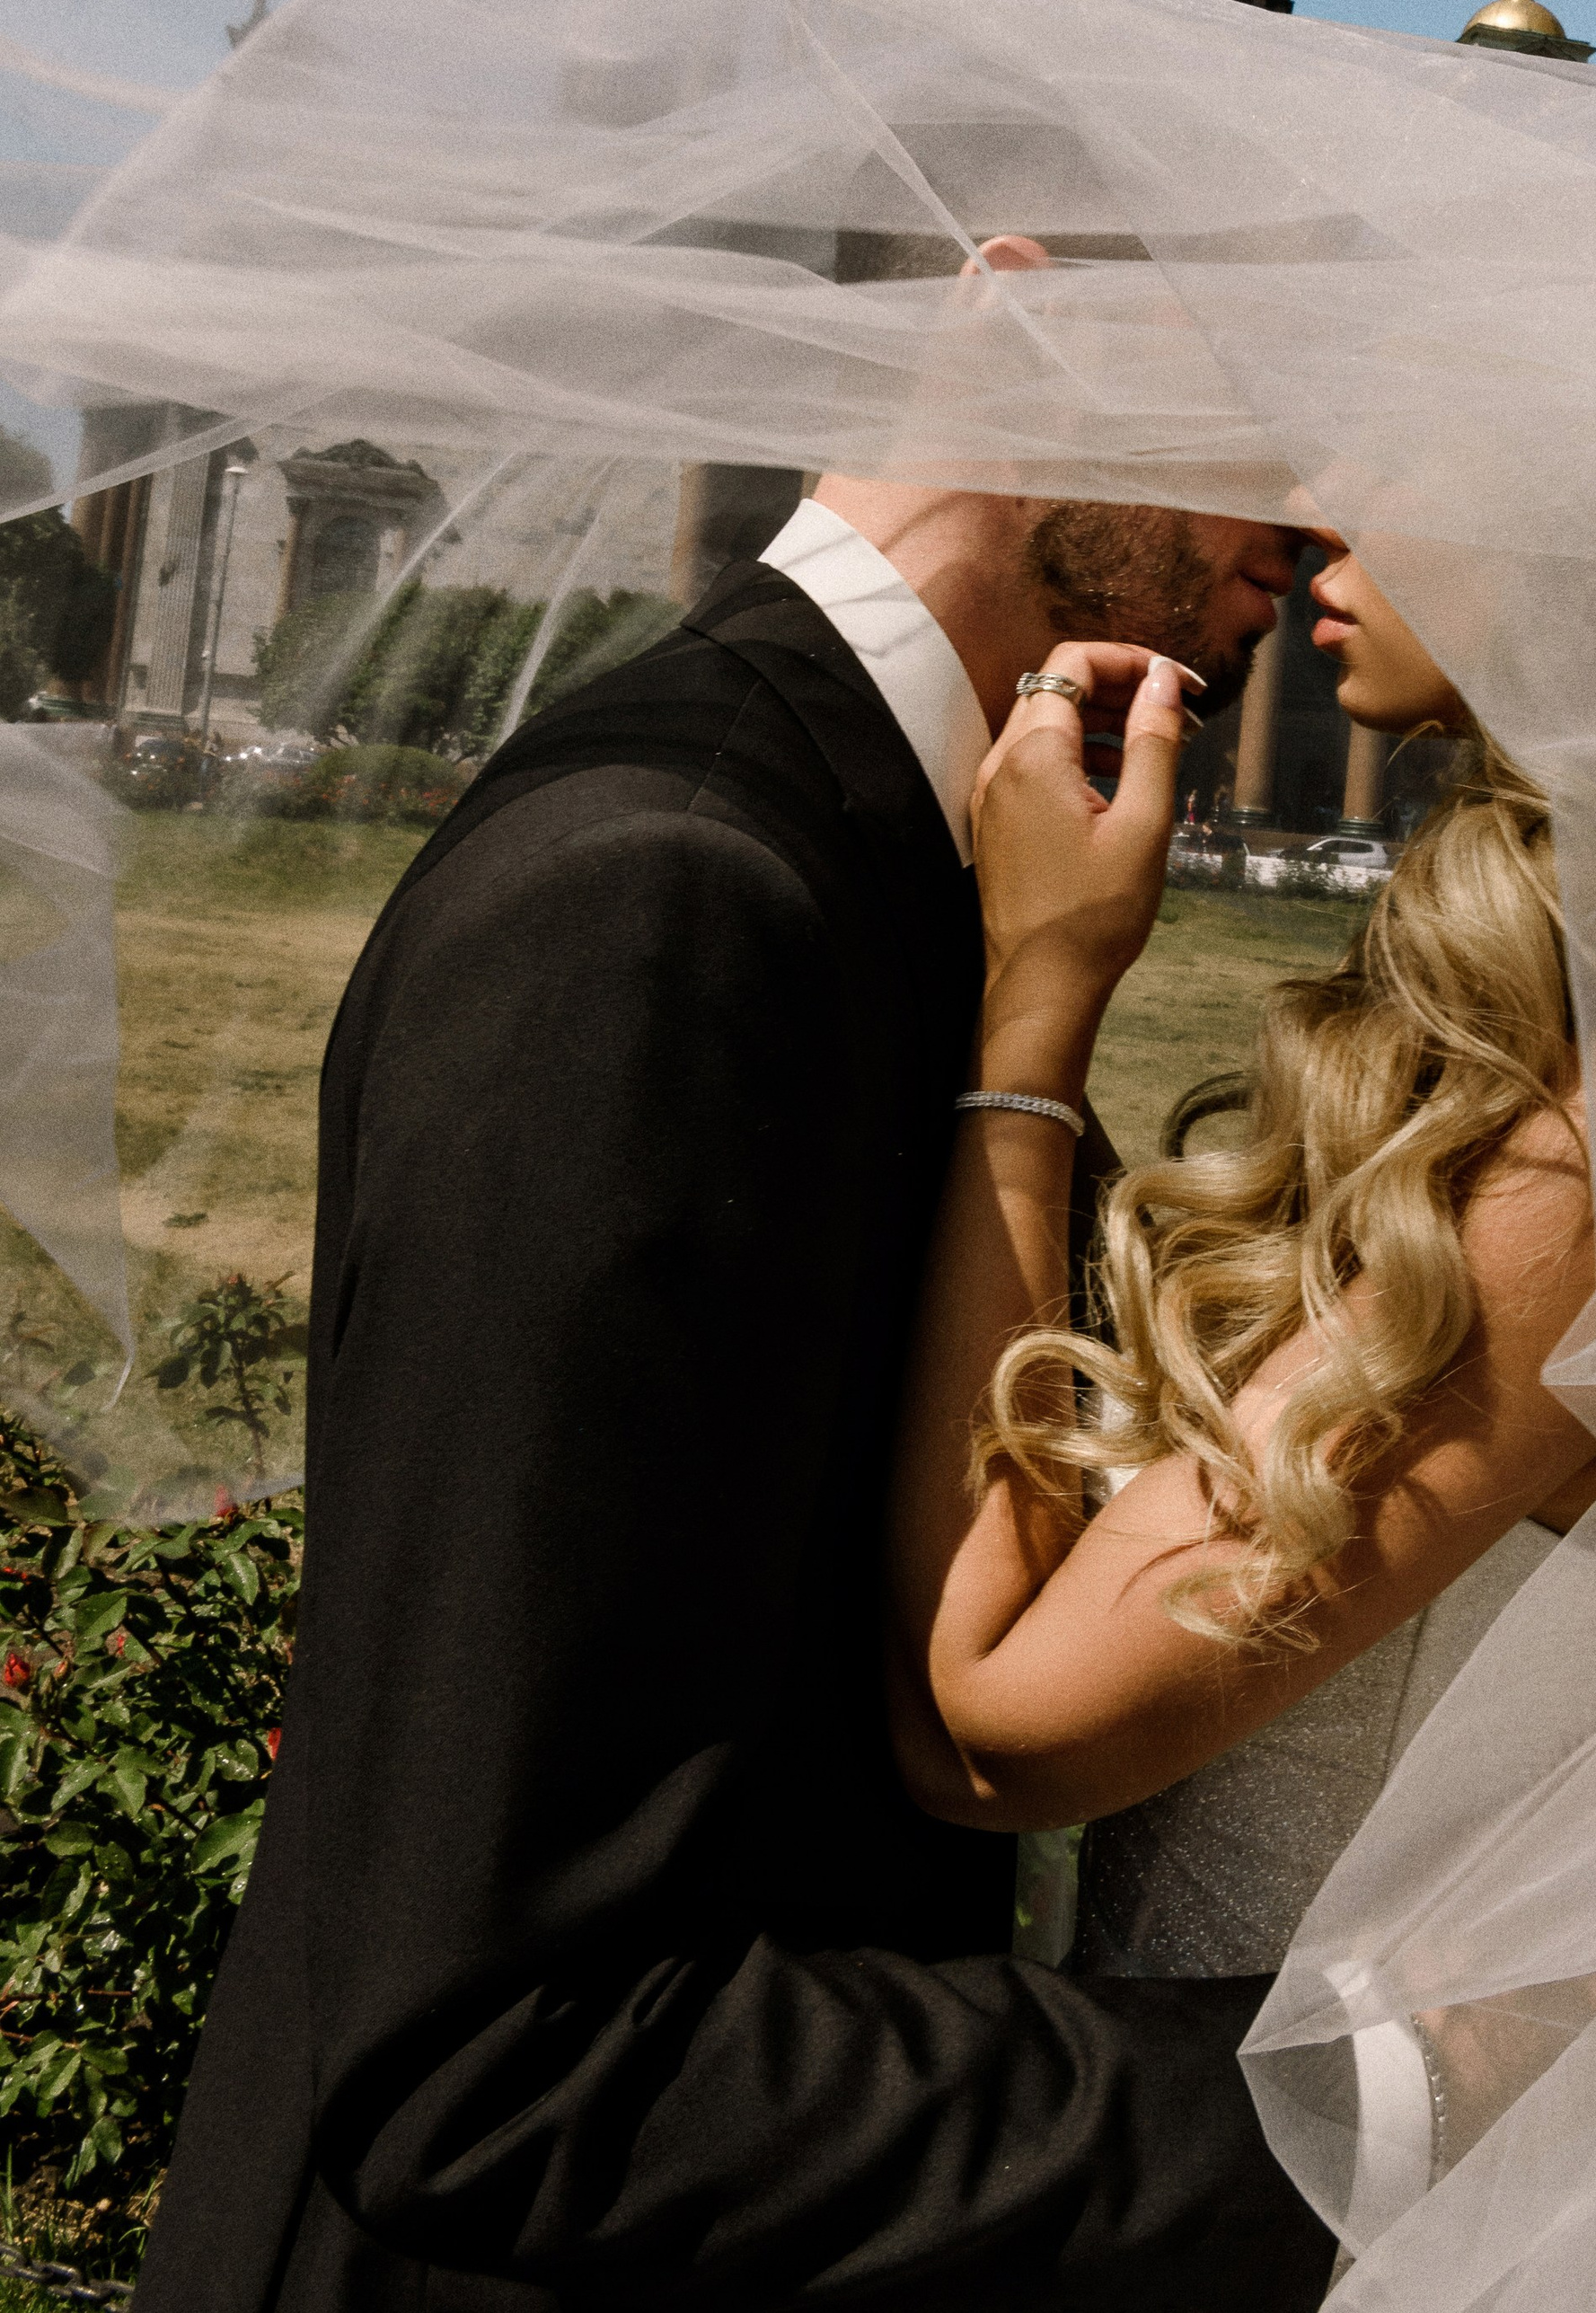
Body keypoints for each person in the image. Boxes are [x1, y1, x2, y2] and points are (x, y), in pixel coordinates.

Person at [135, 459, 1330, 2313]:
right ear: (1022, 300)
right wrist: (1361, 2107)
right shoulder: (660, 888)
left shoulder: (892, 845)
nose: (1303, 524)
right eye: (1257, 412)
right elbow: (505, 2059)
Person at [887, 534, 1596, 1991]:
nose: (1308, 515)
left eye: (1402, 451)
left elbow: (990, 1732)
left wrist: (1036, 1011)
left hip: (1308, 2140)